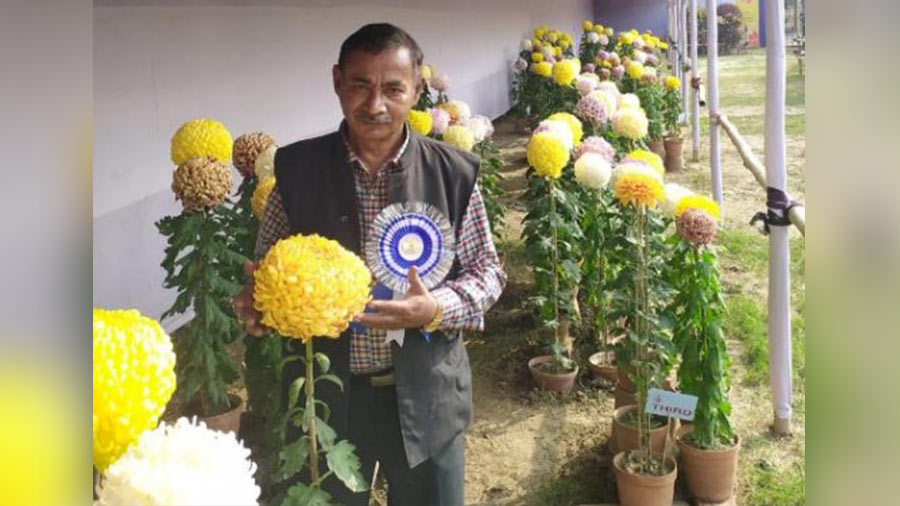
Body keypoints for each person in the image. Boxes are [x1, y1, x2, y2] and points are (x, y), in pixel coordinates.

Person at [233, 23, 506, 506]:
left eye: (393, 89)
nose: (375, 105)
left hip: (428, 398)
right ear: (337, 81)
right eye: (360, 85)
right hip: (328, 399)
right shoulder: (296, 172)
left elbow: (488, 272)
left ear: (417, 89)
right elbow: (267, 265)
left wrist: (436, 307)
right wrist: (259, 306)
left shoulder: (454, 174)